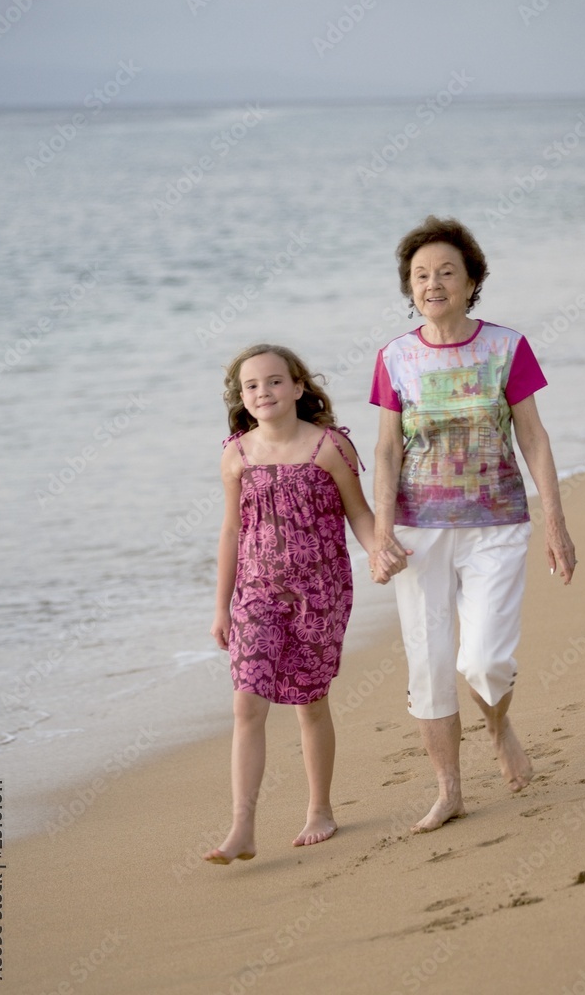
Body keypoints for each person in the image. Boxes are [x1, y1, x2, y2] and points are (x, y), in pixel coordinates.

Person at [369, 215, 576, 833]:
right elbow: (385, 451)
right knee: (429, 664)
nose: (432, 283)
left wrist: (555, 523)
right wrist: (381, 533)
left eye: (446, 272)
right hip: (418, 530)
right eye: (420, 275)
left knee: (483, 659)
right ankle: (449, 790)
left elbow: (533, 436)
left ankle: (498, 723)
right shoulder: (394, 357)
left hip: (497, 522)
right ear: (409, 287)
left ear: (471, 280)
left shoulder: (506, 347)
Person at [203, 343, 399, 864]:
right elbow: (231, 532)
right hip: (256, 592)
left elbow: (358, 513)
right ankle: (242, 825)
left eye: (273, 381)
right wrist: (222, 606)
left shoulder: (329, 447)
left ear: (298, 387)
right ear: (241, 398)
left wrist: (379, 550)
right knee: (248, 701)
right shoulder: (236, 455)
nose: (262, 392)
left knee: (310, 703)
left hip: (320, 593)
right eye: (251, 386)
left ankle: (320, 809)